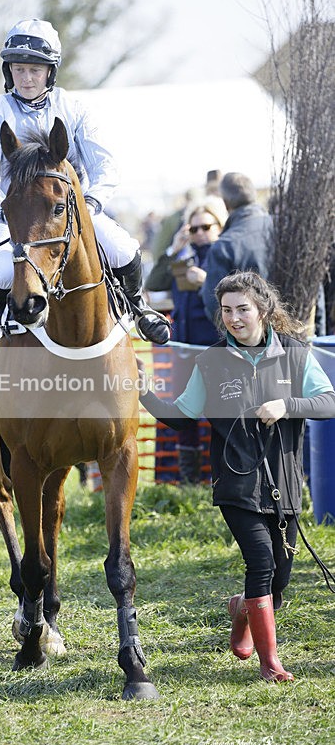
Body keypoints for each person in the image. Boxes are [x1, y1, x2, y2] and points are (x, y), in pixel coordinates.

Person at [138, 271, 335, 682]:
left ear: (262, 309)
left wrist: (288, 405)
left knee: (280, 579)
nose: (234, 318)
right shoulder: (210, 362)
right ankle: (270, 663)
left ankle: (242, 608)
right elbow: (183, 416)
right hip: (235, 482)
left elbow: (329, 401)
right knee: (261, 561)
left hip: (284, 483)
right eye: (226, 310)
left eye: (242, 309)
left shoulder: (296, 354)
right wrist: (143, 391)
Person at [0, 18, 170, 364]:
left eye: (34, 70)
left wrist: (92, 202)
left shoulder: (74, 109)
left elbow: (105, 165)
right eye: (18, 69)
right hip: (20, 216)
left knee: (122, 248)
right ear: (8, 71)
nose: (26, 78)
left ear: (50, 72)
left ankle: (139, 307)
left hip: (72, 210)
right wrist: (2, 212)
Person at [167, 199, 227, 481]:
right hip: (183, 348)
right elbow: (154, 283)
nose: (200, 233)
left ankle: (224, 479)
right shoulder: (183, 256)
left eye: (206, 227)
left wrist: (207, 282)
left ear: (219, 226)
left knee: (220, 412)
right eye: (194, 228)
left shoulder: (224, 254)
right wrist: (174, 250)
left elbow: (237, 298)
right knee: (185, 412)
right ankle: (188, 482)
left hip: (213, 347)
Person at [200, 172, 273, 323]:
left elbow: (215, 307)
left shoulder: (224, 246)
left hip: (252, 334)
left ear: (225, 203)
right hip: (298, 330)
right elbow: (313, 289)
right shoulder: (288, 229)